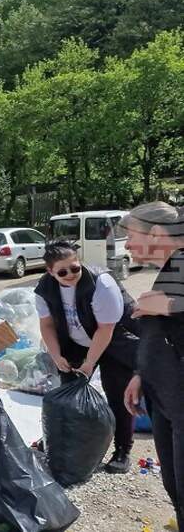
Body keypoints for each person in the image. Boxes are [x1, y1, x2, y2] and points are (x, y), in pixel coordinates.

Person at [33, 240, 140, 473]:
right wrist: (57, 355)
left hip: (112, 341)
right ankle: (63, 441)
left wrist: (90, 363)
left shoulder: (102, 283)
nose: (71, 275)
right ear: (50, 271)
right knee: (69, 393)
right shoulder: (44, 289)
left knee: (118, 395)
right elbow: (47, 325)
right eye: (62, 272)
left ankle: (123, 450)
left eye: (75, 268)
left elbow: (105, 329)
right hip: (76, 341)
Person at [121, 202, 184, 528]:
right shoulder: (169, 271)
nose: (127, 246)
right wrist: (139, 375)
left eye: (131, 236)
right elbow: (159, 333)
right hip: (164, 401)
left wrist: (169, 305)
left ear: (156, 233)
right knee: (174, 487)